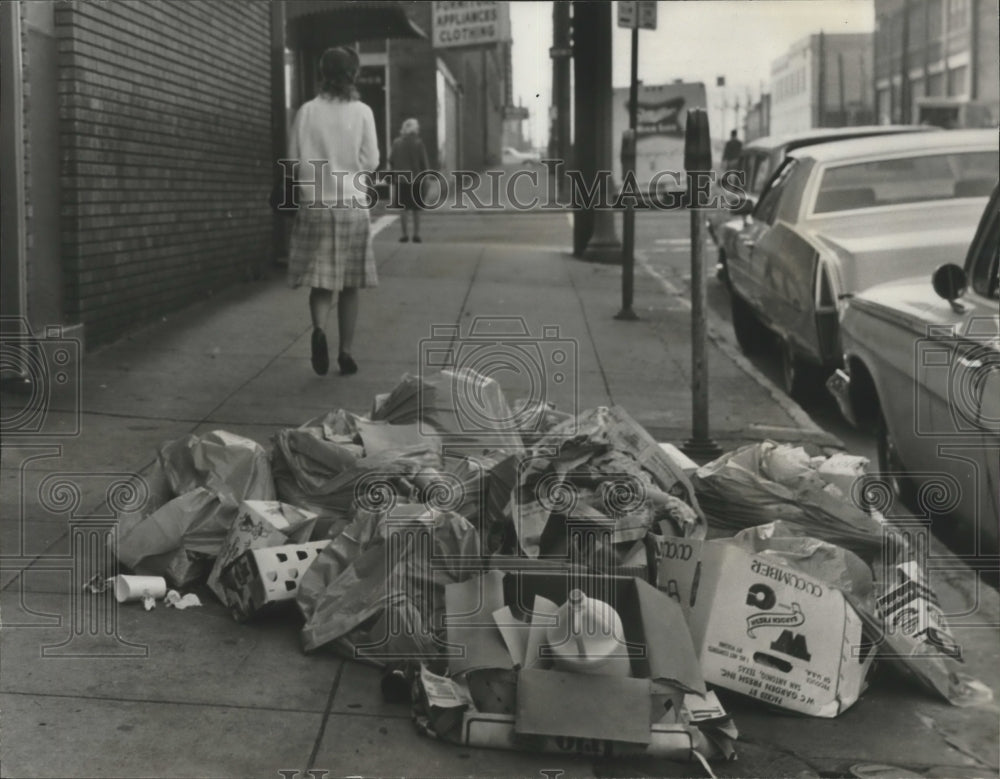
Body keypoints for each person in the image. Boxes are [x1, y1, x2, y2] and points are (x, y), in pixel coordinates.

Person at [286, 47, 378, 376]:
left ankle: (319, 329)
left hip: (316, 204)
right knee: (350, 283)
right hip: (352, 202)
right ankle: (346, 352)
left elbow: (294, 160)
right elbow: (372, 161)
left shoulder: (306, 112)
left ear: (322, 74)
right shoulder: (363, 111)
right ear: (353, 74)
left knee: (321, 281)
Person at [388, 118, 431, 243]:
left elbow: (391, 160)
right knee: (416, 209)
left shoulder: (396, 143)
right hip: (416, 180)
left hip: (401, 180)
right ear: (415, 129)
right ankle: (416, 234)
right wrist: (426, 177)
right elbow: (424, 163)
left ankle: (404, 235)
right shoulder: (418, 143)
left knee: (404, 209)